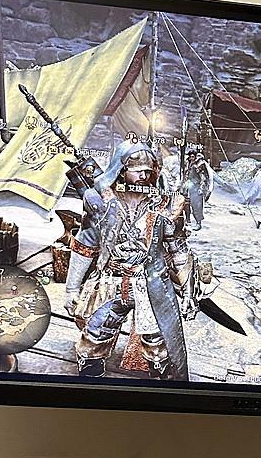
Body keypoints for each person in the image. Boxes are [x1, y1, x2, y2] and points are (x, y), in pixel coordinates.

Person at [64, 140, 190, 380]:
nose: (143, 175)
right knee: (96, 332)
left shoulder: (163, 205)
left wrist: (188, 290)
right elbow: (85, 246)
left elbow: (178, 249)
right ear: (121, 170)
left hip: (149, 286)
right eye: (137, 169)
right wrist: (71, 288)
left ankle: (161, 383)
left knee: (156, 341)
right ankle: (90, 380)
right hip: (111, 283)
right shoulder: (102, 204)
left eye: (148, 170)